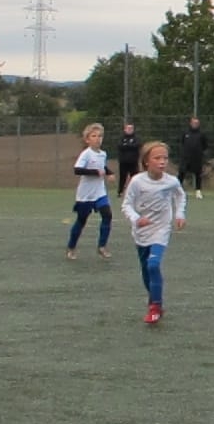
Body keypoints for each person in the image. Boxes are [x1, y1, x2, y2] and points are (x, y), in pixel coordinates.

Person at [122, 140, 186, 326]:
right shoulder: (137, 181)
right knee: (146, 271)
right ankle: (155, 301)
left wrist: (180, 214)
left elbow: (180, 196)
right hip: (141, 231)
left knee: (153, 264)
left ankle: (155, 306)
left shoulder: (171, 181)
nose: (162, 162)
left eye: (165, 158)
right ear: (146, 161)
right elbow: (126, 205)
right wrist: (136, 219)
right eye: (157, 158)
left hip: (161, 229)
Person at [66, 122, 114, 261]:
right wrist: (95, 172)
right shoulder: (86, 154)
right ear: (87, 139)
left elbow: (102, 166)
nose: (98, 139)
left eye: (100, 136)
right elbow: (77, 170)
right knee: (81, 221)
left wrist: (109, 173)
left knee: (107, 215)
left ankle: (102, 246)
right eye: (94, 136)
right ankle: (71, 247)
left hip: (99, 192)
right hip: (86, 194)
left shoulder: (103, 154)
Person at [179, 116, 209, 200]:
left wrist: (200, 153)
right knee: (181, 173)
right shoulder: (185, 133)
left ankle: (198, 192)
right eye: (193, 123)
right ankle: (177, 190)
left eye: (197, 123)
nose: (195, 124)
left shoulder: (201, 134)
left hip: (197, 158)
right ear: (190, 123)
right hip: (186, 158)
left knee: (198, 174)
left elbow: (205, 146)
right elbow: (182, 143)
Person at [116, 122, 141, 193]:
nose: (130, 130)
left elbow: (137, 145)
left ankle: (136, 191)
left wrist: (126, 145)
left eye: (131, 128)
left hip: (133, 162)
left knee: (135, 177)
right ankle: (120, 192)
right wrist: (130, 146)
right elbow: (120, 146)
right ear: (125, 129)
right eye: (128, 128)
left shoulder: (136, 138)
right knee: (122, 177)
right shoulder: (121, 138)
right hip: (123, 162)